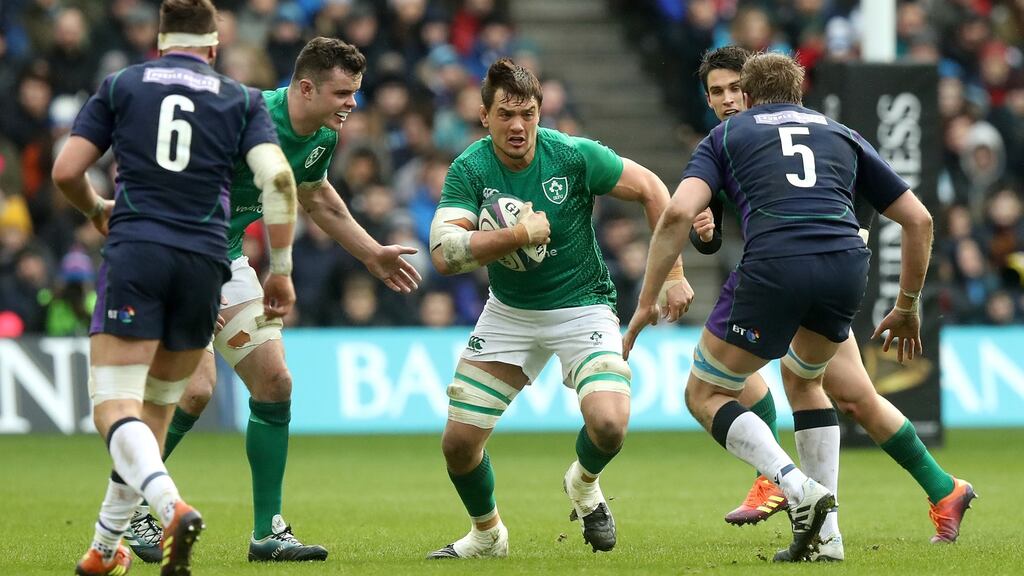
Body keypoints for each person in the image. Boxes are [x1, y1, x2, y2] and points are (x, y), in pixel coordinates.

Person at [623, 52, 937, 562]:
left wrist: (645, 300)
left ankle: (795, 488)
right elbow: (919, 220)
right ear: (799, 92)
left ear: (746, 96)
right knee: (807, 382)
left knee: (705, 392)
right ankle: (828, 539)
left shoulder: (727, 135)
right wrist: (907, 305)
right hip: (845, 266)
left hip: (777, 264)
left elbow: (680, 210)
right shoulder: (841, 133)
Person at [123, 37, 423, 564]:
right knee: (195, 390)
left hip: (228, 259)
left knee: (275, 382)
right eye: (342, 92)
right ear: (305, 87)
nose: (352, 103)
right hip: (175, 251)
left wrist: (371, 253)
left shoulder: (322, 137)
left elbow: (317, 196)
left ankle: (268, 533)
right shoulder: (238, 117)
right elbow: (172, 185)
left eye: (356, 91)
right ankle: (125, 508)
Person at [689, 46, 975, 559]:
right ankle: (932, 492)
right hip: (817, 267)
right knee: (827, 387)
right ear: (708, 98)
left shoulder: (763, 136)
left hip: (813, 261)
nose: (729, 100)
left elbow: (860, 203)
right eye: (718, 92)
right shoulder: (739, 144)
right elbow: (712, 229)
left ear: (752, 92)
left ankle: (782, 483)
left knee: (802, 387)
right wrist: (706, 236)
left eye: (736, 89)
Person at [52, 1, 297, 574]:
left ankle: (169, 506)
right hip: (207, 263)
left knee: (115, 407)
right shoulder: (239, 98)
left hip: (138, 251)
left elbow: (67, 171)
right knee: (158, 413)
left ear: (160, 43)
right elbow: (280, 179)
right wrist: (280, 266)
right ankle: (104, 550)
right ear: (214, 48)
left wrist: (94, 210)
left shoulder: (122, 85)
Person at [425, 57, 686, 559]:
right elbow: (443, 253)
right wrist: (518, 234)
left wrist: (672, 276)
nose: (518, 125)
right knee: (458, 444)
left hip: (584, 307)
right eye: (505, 114)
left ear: (541, 112)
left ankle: (583, 484)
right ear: (484, 116)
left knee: (609, 425)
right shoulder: (470, 168)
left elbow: (654, 189)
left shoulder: (572, 156)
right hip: (509, 314)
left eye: (527, 113)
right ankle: (487, 536)